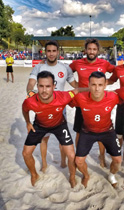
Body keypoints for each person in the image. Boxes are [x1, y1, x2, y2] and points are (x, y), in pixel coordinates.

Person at [26, 40, 78, 172]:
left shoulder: (65, 68)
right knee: (44, 138)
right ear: (45, 52)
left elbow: (74, 85)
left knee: (63, 139)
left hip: (61, 109)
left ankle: (62, 161)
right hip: (43, 108)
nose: (51, 53)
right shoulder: (39, 67)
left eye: (54, 51)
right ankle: (44, 163)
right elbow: (31, 84)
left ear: (58, 52)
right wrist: (30, 93)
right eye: (48, 51)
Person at [22, 71, 78, 188]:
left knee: (72, 155)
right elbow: (25, 109)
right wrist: (27, 122)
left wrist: (89, 89)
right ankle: (34, 175)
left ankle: (72, 177)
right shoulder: (30, 101)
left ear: (54, 86)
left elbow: (76, 91)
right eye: (41, 86)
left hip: (59, 125)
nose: (44, 90)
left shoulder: (63, 96)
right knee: (26, 153)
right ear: (37, 86)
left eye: (48, 86)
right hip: (40, 125)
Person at [69, 38, 115, 168]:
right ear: (85, 50)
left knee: (101, 132)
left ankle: (101, 156)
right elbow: (66, 73)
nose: (91, 51)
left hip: (98, 102)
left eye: (94, 49)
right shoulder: (77, 63)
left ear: (98, 50)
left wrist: (107, 83)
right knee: (79, 131)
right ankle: (79, 155)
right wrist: (76, 86)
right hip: (81, 102)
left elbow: (117, 72)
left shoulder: (105, 64)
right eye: (89, 49)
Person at [72, 72, 121, 188]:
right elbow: (62, 100)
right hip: (87, 132)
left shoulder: (113, 97)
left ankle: (111, 175)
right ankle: (86, 175)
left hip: (107, 131)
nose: (97, 88)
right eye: (93, 85)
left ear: (105, 85)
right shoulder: (80, 98)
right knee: (78, 161)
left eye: (100, 85)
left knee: (118, 160)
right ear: (88, 85)